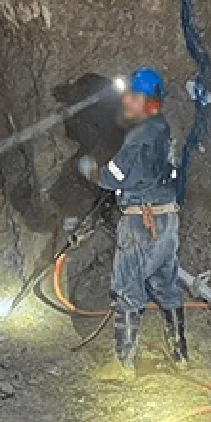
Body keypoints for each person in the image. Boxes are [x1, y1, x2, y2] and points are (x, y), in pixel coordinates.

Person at [78, 67, 183, 379]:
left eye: (132, 96)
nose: (126, 100)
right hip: (167, 217)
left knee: (127, 288)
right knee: (166, 284)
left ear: (146, 100)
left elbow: (113, 177)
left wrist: (90, 171)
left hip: (141, 220)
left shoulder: (139, 136)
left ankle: (123, 363)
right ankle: (180, 355)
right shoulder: (163, 128)